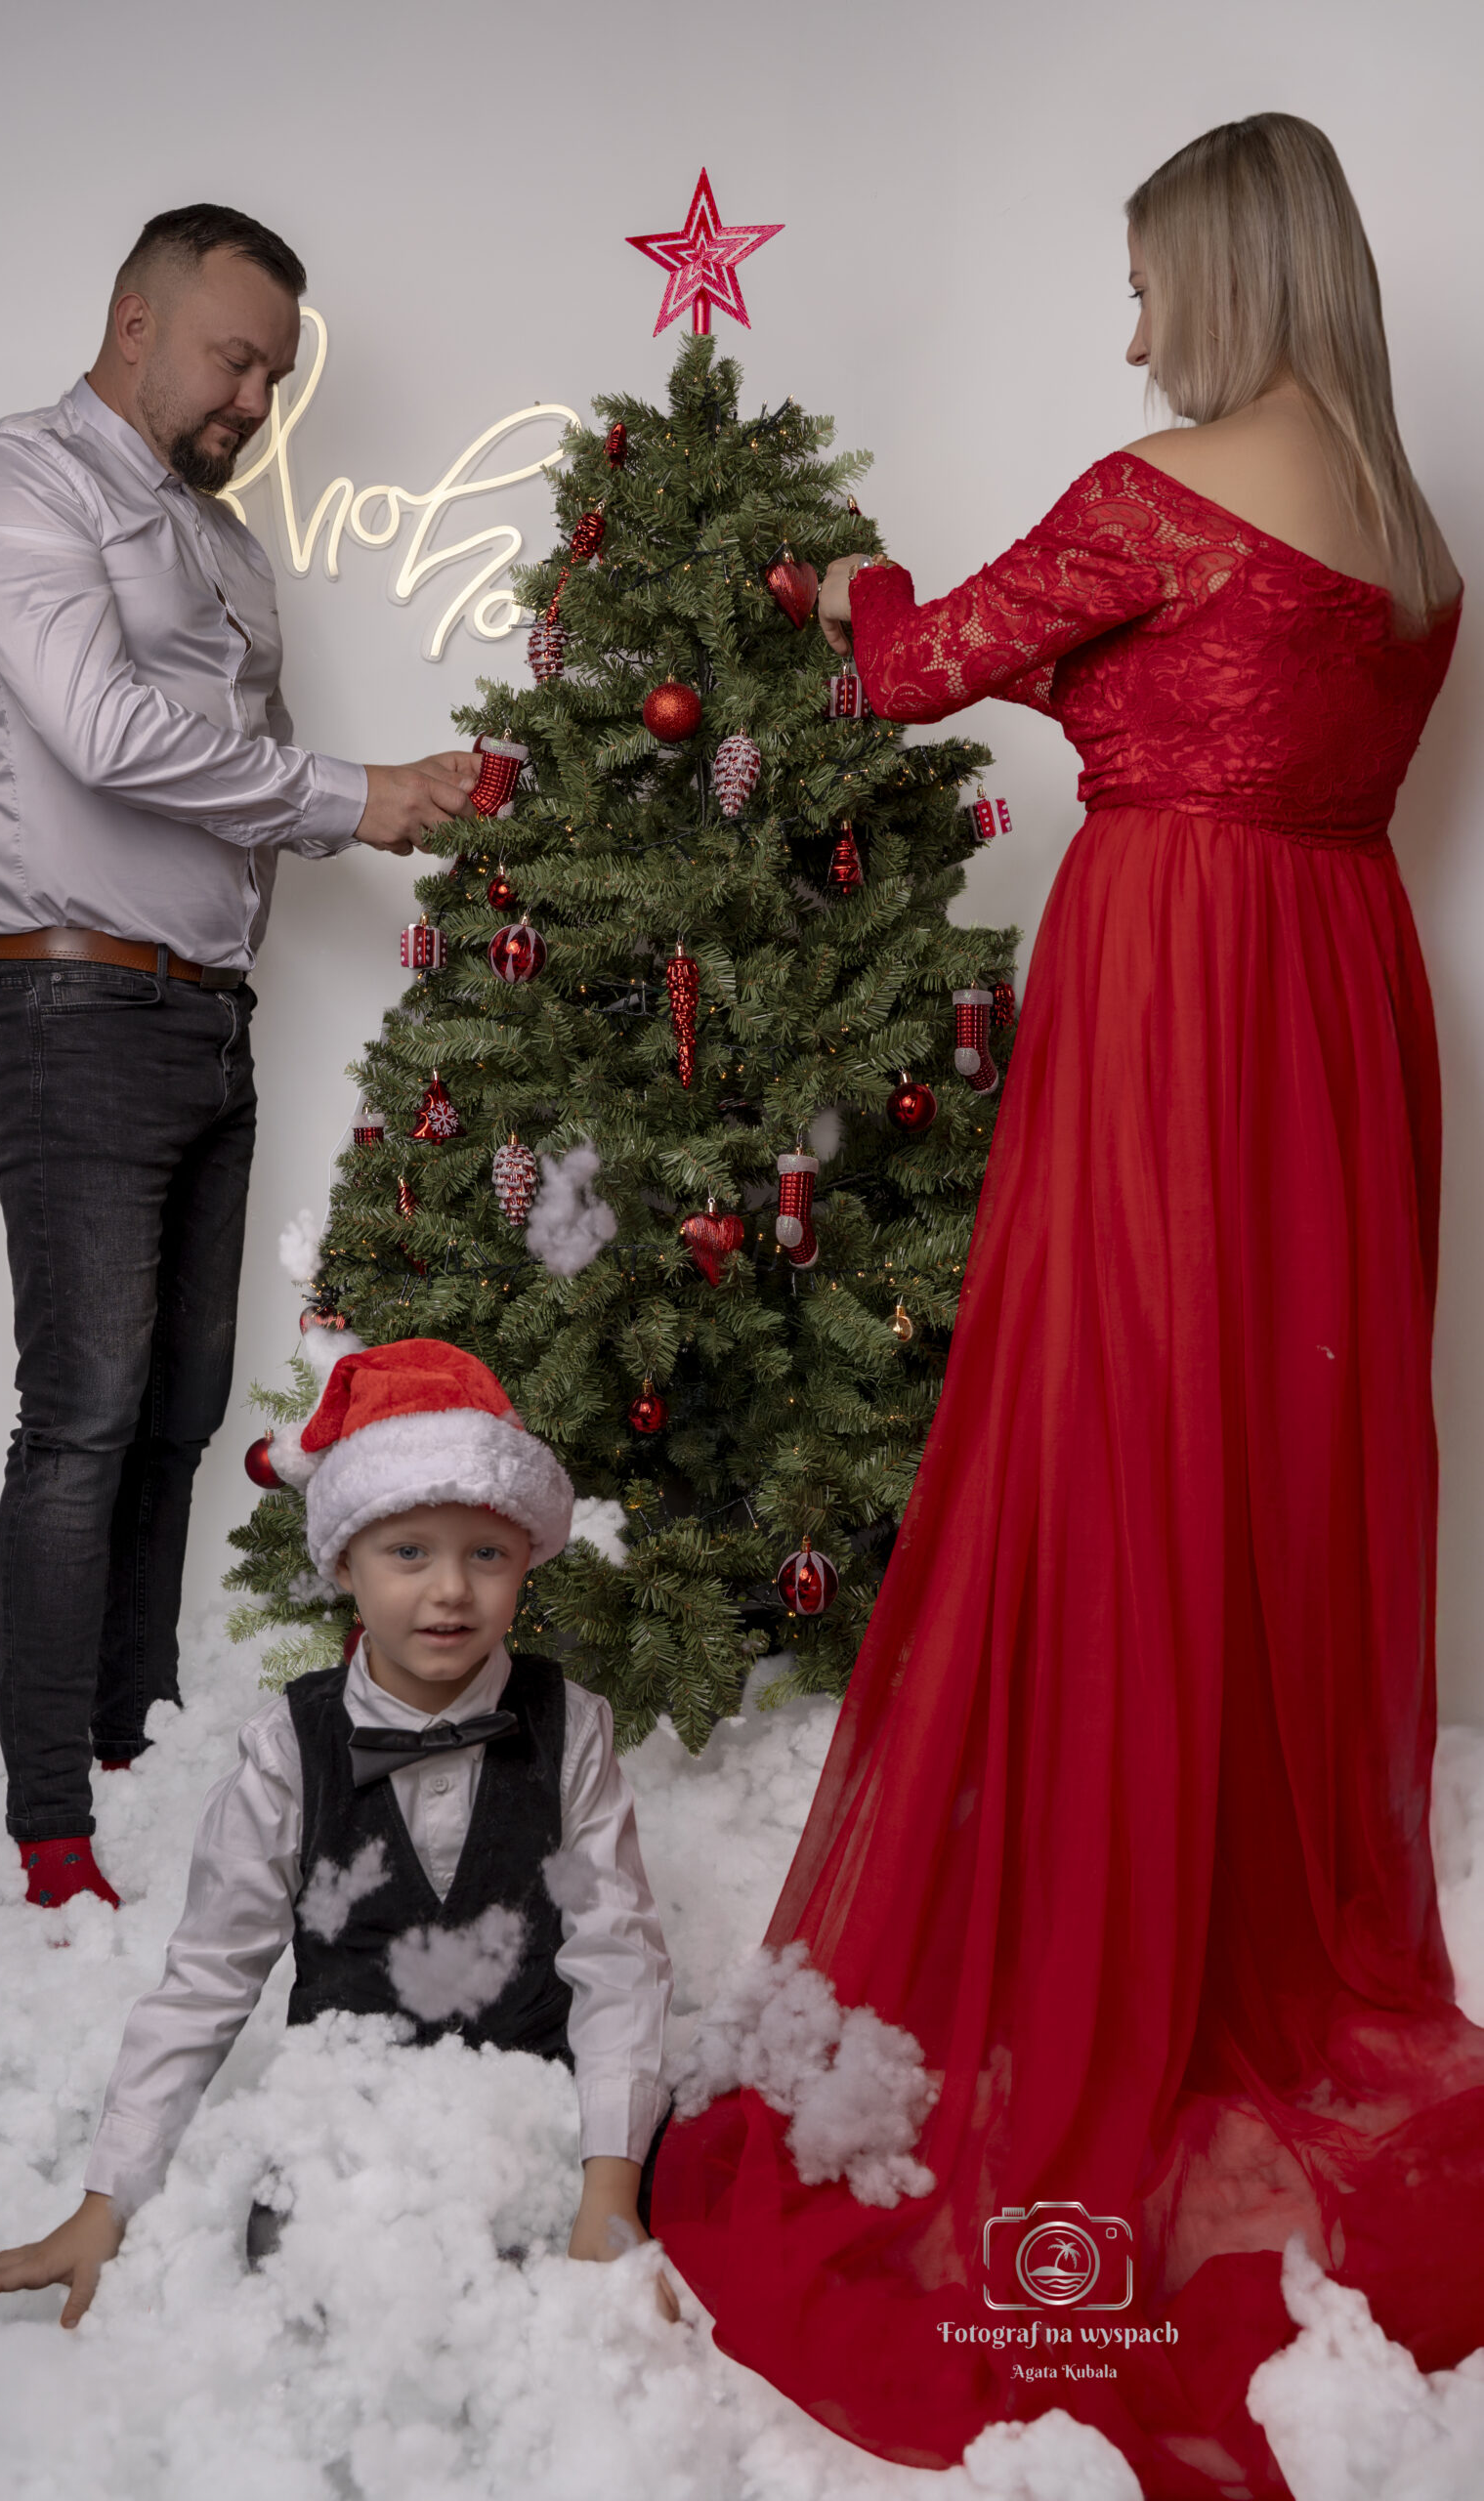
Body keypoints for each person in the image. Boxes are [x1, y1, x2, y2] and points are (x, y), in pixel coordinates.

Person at [651, 113, 1484, 2501]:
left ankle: (1108, 1916)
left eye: (1141, 284)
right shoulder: (1410, 539)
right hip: (1336, 993)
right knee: (1273, 1462)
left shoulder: (1158, 496)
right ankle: (1247, 1901)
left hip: (1173, 995)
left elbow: (903, 671)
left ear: (1219, 272)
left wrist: (849, 564)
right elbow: (1230, 715)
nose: (1128, 333)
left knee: (1119, 1437)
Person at [0, 206, 482, 1910]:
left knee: (173, 1415)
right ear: (134, 321)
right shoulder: (21, 485)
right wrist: (360, 795)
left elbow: (240, 766)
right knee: (81, 1419)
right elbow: (107, 736)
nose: (252, 400)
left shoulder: (221, 541)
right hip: (69, 1010)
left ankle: (130, 1750)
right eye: (233, 360)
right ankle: (48, 1834)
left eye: (275, 377)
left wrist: (413, 803)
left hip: (203, 1013)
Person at [0, 1338, 675, 2326]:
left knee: (543, 2307)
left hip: (530, 2109)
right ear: (343, 1564)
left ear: (525, 1564)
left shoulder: (573, 1730)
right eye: (408, 1551)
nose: (450, 1589)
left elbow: (618, 1963)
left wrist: (609, 2192)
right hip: (348, 2120)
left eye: (486, 1553)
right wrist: (102, 2206)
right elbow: (207, 1978)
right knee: (314, 2297)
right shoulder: (286, 1750)